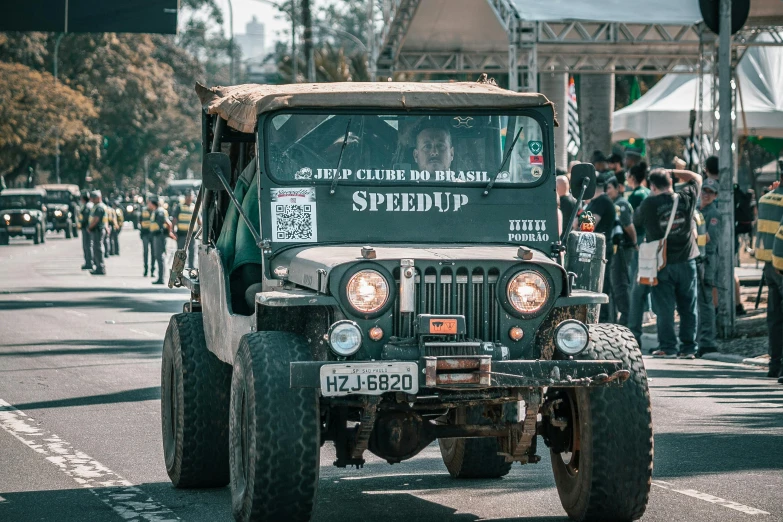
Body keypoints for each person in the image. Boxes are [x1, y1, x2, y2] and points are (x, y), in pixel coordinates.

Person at [634, 168, 702, 358]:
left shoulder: (648, 203)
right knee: (688, 306)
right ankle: (689, 348)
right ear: (671, 182)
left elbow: (636, 220)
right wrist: (673, 170)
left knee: (664, 308)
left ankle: (668, 347)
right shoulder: (686, 197)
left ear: (652, 186)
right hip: (687, 260)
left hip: (661, 263)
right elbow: (696, 177)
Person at [755, 180, 783, 380]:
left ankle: (774, 364)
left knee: (774, 318)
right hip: (781, 265)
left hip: (768, 265)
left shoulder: (765, 199)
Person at [584, 173, 618, 322]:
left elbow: (588, 226)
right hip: (594, 250)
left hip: (600, 251)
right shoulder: (595, 201)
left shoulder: (601, 201)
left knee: (601, 286)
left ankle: (603, 320)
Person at [627, 162, 652, 347]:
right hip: (651, 239)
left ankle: (638, 318)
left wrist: (634, 240)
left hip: (639, 239)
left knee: (636, 279)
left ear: (633, 178)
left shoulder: (635, 195)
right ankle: (648, 311)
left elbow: (632, 219)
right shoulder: (648, 193)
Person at [605, 176, 637, 326]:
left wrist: (635, 242)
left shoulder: (621, 204)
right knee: (614, 286)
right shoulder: (610, 203)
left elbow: (629, 227)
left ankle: (627, 320)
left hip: (623, 250)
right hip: (615, 250)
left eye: (610, 188)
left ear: (617, 188)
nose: (607, 191)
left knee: (621, 285)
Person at [696, 178, 721, 357]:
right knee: (697, 301)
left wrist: (690, 236)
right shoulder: (697, 210)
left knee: (705, 300)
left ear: (715, 195)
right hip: (697, 257)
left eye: (710, 192)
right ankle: (700, 339)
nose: (705, 194)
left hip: (707, 259)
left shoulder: (714, 214)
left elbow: (709, 238)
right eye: (704, 190)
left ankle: (708, 341)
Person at [171, 190, 199, 269]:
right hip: (181, 234)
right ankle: (179, 268)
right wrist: (173, 231)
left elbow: (199, 220)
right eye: (188, 196)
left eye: (191, 196)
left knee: (192, 252)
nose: (189, 198)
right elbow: (174, 220)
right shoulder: (179, 207)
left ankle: (191, 268)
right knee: (180, 252)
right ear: (185, 197)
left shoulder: (195, 207)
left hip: (192, 235)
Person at [148, 196, 172, 285]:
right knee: (158, 256)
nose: (148, 204)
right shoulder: (156, 211)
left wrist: (169, 233)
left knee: (160, 256)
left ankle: (161, 278)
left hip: (159, 236)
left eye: (149, 202)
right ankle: (160, 277)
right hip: (157, 236)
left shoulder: (159, 212)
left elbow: (168, 224)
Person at [87, 190, 108, 275]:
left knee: (97, 249)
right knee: (97, 248)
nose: (92, 200)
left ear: (98, 198)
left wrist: (89, 227)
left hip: (98, 230)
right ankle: (99, 267)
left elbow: (96, 219)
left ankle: (100, 267)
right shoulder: (98, 206)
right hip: (98, 229)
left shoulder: (99, 207)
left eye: (93, 198)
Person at [139, 197, 155, 278]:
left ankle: (152, 270)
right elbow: (140, 221)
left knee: (153, 253)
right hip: (145, 234)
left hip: (153, 234)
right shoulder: (143, 210)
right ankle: (145, 269)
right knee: (145, 252)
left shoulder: (156, 211)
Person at [79, 192, 93, 270]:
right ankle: (89, 262)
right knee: (89, 245)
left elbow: (85, 218)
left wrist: (82, 224)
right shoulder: (89, 205)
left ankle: (89, 263)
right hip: (89, 228)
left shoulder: (87, 207)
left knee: (87, 246)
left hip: (87, 228)